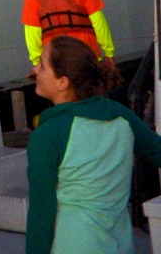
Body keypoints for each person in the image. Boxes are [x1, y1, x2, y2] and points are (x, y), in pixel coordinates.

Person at [26, 35, 161, 254]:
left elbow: (42, 213)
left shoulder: (48, 135)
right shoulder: (121, 117)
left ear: (63, 82)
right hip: (120, 245)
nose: (34, 71)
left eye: (42, 65)